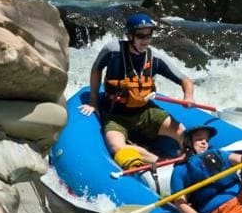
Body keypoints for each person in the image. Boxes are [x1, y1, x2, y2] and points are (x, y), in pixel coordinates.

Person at [79, 13, 195, 165]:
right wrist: (93, 101)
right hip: (115, 114)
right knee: (116, 146)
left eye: (148, 36)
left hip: (145, 111)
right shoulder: (113, 51)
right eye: (140, 36)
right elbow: (96, 69)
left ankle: (191, 161)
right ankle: (163, 162)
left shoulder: (155, 58)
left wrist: (188, 96)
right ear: (130, 36)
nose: (145, 40)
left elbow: (185, 80)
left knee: (182, 132)